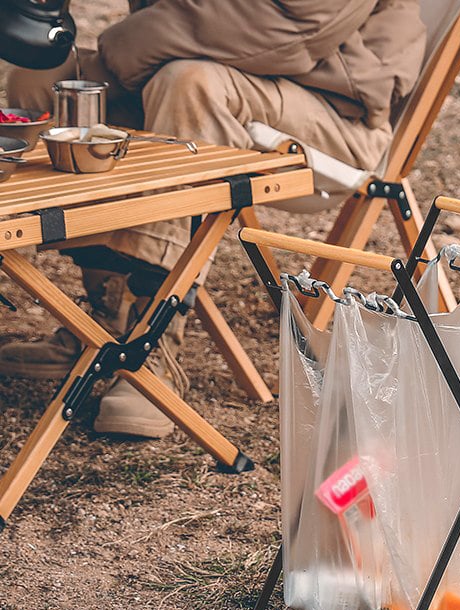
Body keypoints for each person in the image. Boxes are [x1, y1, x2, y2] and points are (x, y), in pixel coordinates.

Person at [0, 0, 426, 437]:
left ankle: (153, 337)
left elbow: (298, 25)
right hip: (203, 63)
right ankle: (104, 319)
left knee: (188, 83)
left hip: (335, 110)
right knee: (48, 82)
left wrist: (133, 43)